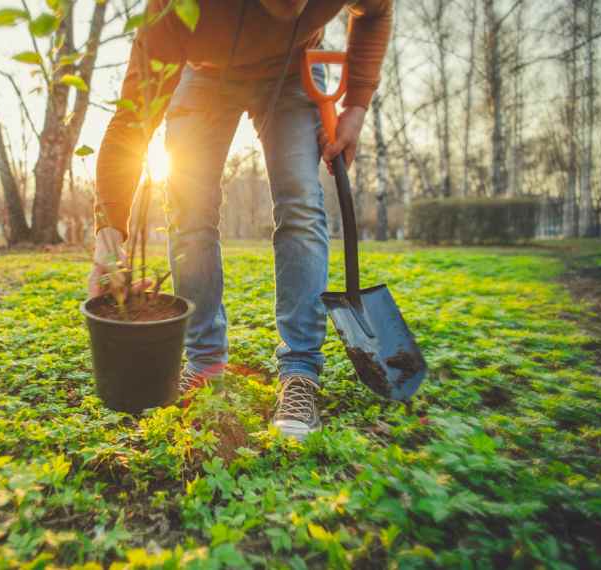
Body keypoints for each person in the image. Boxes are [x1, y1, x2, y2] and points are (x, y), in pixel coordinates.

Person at [87, 0, 393, 441]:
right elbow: (133, 117)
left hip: (294, 71)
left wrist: (358, 106)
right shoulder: (175, 7)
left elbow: (377, 12)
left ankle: (301, 371)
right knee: (189, 208)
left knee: (301, 205)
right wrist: (109, 234)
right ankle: (205, 361)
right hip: (204, 73)